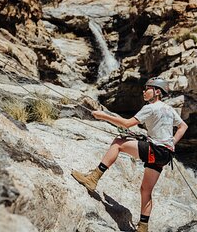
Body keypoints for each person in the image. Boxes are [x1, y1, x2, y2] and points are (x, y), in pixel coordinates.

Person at [71, 77, 188, 232]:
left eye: (147, 88)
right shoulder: (168, 109)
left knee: (118, 142)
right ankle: (143, 227)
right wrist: (171, 142)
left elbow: (126, 123)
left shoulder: (150, 107)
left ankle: (93, 178)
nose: (144, 91)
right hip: (165, 155)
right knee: (146, 190)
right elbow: (183, 126)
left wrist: (102, 115)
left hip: (155, 150)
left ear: (157, 92)